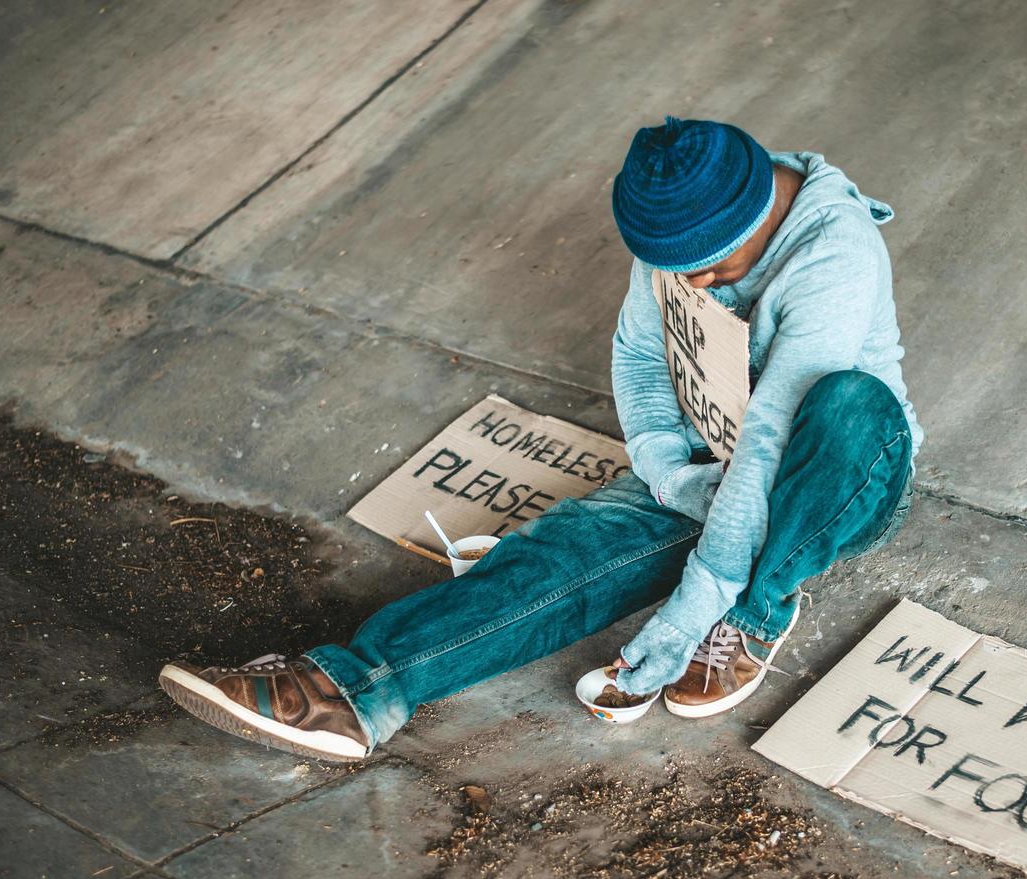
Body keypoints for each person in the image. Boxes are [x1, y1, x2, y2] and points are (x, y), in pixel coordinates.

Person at [158, 117, 924, 761]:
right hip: (710, 463)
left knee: (847, 405)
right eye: (676, 273)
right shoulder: (677, 229)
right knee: (560, 558)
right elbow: (638, 353)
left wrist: (694, 607)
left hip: (835, 473)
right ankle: (351, 691)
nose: (692, 286)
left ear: (762, 218)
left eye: (713, 269)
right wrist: (666, 474)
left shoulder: (834, 253)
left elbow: (769, 443)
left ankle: (756, 607)